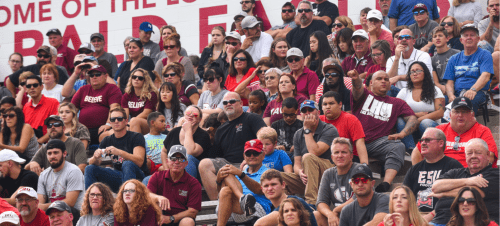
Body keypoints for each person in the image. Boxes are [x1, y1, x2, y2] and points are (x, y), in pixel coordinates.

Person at [349, 70, 417, 192]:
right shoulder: (364, 96)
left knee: (398, 146)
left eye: (386, 79)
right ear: (370, 83)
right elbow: (358, 87)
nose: (383, 81)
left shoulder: (397, 102)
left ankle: (385, 184)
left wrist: (402, 134)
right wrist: (356, 79)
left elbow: (412, 118)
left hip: (379, 143)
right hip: (357, 141)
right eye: (379, 79)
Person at [198, 92, 266, 200]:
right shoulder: (220, 129)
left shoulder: (252, 118)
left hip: (250, 159)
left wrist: (248, 159)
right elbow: (215, 155)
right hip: (228, 164)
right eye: (225, 102)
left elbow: (264, 137)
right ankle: (217, 203)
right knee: (204, 164)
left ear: (240, 103)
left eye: (232, 101)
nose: (228, 104)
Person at [411, 97, 498, 167]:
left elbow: (489, 156)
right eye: (456, 112)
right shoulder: (439, 130)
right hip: (441, 175)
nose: (460, 115)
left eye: (464, 112)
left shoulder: (482, 131)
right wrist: (418, 174)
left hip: (468, 174)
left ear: (472, 115)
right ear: (450, 115)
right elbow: (417, 152)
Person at [281, 100, 338, 206]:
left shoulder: (329, 129)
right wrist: (300, 173)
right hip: (308, 177)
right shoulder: (298, 134)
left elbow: (314, 151)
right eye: (304, 111)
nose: (307, 113)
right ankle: (285, 206)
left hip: (329, 175)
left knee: (308, 157)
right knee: (278, 177)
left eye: (310, 110)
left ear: (318, 112)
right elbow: (297, 164)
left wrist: (307, 129)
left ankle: (311, 203)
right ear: (301, 114)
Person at [431, 138, 499, 225]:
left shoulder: (496, 174)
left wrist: (444, 193)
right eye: (470, 153)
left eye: (478, 153)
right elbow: (436, 187)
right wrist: (468, 181)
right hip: (438, 221)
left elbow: (475, 192)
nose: (473, 156)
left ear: (488, 155)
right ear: (465, 156)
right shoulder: (455, 173)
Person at [403, 128, 463, 222]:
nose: (423, 143)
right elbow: (404, 195)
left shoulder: (454, 166)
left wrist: (431, 215)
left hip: (443, 217)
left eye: (427, 140)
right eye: (421, 140)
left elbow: (461, 195)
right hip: (416, 216)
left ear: (441, 143)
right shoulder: (414, 169)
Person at [85, 107, 148, 192]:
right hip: (119, 177)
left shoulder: (136, 137)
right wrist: (95, 157)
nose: (116, 121)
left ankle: (127, 199)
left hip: (137, 177)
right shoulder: (107, 140)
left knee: (127, 164)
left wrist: (119, 152)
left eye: (119, 119)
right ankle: (89, 202)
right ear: (110, 122)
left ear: (126, 121)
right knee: (90, 168)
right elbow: (96, 162)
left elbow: (140, 162)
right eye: (113, 119)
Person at [215, 139, 272, 226]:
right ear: (244, 156)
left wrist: (241, 175)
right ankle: (242, 198)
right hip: (234, 209)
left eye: (255, 153)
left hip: (256, 210)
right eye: (248, 154)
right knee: (225, 188)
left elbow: (260, 189)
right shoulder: (238, 175)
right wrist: (218, 181)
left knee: (228, 175)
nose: (252, 156)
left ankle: (243, 200)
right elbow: (221, 195)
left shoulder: (269, 173)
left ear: (263, 155)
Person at [444, 24, 494, 114]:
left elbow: (486, 76)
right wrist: (451, 95)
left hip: (477, 91)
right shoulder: (453, 58)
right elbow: (449, 82)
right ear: (461, 40)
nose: (469, 38)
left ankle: (465, 127)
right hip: (457, 93)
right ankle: (445, 127)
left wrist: (473, 90)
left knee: (467, 102)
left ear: (478, 39)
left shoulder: (484, 54)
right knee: (441, 100)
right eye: (466, 35)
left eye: (472, 35)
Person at [147, 145, 202, 226]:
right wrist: (158, 197)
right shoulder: (157, 176)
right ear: (167, 161)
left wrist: (171, 218)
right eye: (173, 158)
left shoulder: (194, 183)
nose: (177, 162)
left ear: (186, 163)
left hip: (180, 219)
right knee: (152, 209)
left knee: (188, 222)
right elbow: (146, 195)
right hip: (160, 217)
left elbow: (192, 212)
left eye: (181, 159)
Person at [314, 138, 363, 226]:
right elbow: (321, 202)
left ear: (351, 156)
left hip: (359, 217)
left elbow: (360, 198)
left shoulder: (360, 170)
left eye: (344, 152)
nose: (340, 155)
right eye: (336, 152)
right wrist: (330, 214)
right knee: (316, 215)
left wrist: (336, 210)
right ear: (332, 157)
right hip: (338, 219)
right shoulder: (328, 174)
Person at [396, 61, 445, 148]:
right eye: (412, 72)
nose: (414, 74)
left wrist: (419, 120)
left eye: (418, 71)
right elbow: (395, 111)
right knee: (399, 120)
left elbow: (440, 112)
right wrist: (415, 116)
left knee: (425, 122)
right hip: (410, 129)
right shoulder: (404, 91)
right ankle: (410, 149)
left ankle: (429, 150)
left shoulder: (435, 90)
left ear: (425, 73)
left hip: (430, 127)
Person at [71, 65, 121, 147]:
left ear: (105, 76)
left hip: (103, 128)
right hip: (83, 129)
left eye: (97, 74)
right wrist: (71, 126)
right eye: (91, 75)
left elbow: (114, 108)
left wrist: (108, 124)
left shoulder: (112, 88)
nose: (94, 77)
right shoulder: (83, 89)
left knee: (109, 135)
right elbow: (72, 109)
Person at [37, 139, 84, 223]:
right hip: (52, 213)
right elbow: (40, 202)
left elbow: (70, 203)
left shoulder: (73, 171)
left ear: (64, 154)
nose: (52, 156)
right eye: (49, 153)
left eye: (56, 152)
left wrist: (43, 207)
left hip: (73, 214)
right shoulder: (43, 175)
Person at [162, 106, 211, 179]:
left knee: (188, 158)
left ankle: (186, 187)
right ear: (184, 116)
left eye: (195, 115)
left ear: (200, 120)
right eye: (188, 113)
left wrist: (188, 130)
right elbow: (164, 151)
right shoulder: (174, 132)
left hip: (196, 172)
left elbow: (189, 152)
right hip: (173, 169)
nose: (191, 115)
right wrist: (166, 169)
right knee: (147, 180)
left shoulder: (203, 135)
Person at [319, 91, 368, 164]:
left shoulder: (351, 119)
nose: (328, 107)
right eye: (325, 104)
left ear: (340, 105)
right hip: (325, 160)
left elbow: (360, 143)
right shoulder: (318, 121)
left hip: (347, 160)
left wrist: (364, 165)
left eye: (331, 103)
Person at [22, 75, 59, 142]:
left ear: (42, 87)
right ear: (26, 89)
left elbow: (56, 128)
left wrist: (38, 142)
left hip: (48, 144)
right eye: (29, 86)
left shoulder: (53, 102)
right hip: (29, 144)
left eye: (35, 85)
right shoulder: (26, 106)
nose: (32, 88)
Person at [121, 68, 158, 134]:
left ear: (145, 81)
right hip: (132, 123)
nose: (136, 79)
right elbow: (125, 114)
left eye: (140, 78)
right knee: (106, 134)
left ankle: (137, 144)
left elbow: (146, 113)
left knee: (135, 122)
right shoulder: (126, 95)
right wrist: (124, 124)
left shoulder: (151, 94)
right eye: (134, 77)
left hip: (150, 123)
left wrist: (131, 122)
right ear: (131, 79)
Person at [430, 26, 461, 95]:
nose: (437, 38)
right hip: (442, 90)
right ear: (432, 41)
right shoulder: (433, 59)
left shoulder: (457, 53)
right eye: (435, 36)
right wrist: (441, 87)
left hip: (457, 88)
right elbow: (436, 82)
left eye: (440, 36)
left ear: (447, 38)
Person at [141, 112, 166, 176]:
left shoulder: (167, 137)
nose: (165, 124)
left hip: (164, 164)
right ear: (152, 123)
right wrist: (144, 156)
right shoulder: (143, 138)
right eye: (162, 121)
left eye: (165, 121)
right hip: (151, 166)